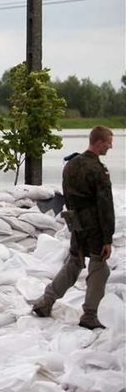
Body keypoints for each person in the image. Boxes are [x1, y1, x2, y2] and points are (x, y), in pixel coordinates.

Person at [32, 126, 114, 330]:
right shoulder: (98, 170)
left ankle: (46, 301)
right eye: (108, 142)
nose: (110, 146)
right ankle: (89, 315)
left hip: (75, 221)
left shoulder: (70, 165)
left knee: (74, 263)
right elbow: (105, 206)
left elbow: (67, 195)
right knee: (99, 267)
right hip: (94, 224)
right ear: (98, 142)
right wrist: (107, 238)